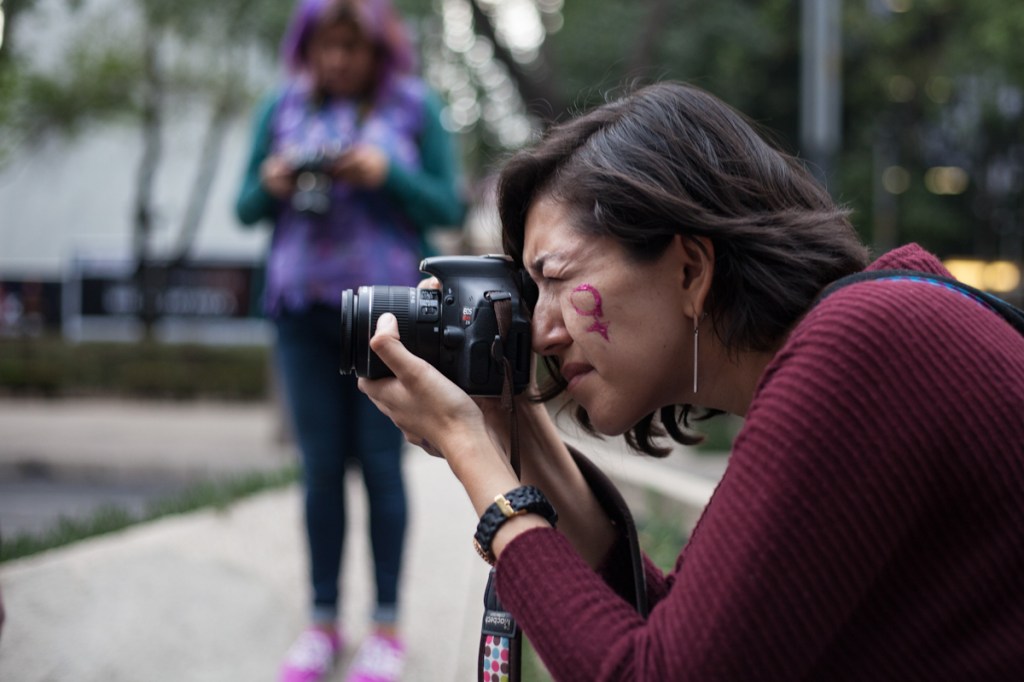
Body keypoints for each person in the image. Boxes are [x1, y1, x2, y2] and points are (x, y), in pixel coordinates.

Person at [358, 81, 1024, 680]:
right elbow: (680, 634)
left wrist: (468, 451)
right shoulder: (868, 334)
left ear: (689, 269)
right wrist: (512, 428)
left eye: (556, 280)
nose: (539, 332)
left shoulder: (863, 350)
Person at [234, 0, 465, 680]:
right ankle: (323, 622)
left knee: (381, 467)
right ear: (307, 46)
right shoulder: (280, 108)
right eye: (324, 46)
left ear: (377, 50)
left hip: (387, 317)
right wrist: (272, 182)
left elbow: (448, 205)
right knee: (320, 470)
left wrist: (385, 174)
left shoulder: (415, 108)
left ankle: (387, 627)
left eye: (350, 47)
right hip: (302, 312)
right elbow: (244, 206)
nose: (336, 60)